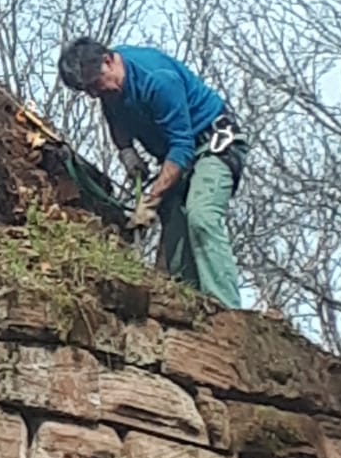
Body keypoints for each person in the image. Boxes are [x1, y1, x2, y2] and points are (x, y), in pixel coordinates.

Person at [57, 37, 246, 309]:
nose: (95, 94)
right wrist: (126, 151)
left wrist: (151, 200)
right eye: (89, 91)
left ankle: (228, 310)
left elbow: (182, 146)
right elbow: (114, 115)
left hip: (212, 145)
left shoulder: (157, 79)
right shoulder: (110, 87)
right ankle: (194, 309)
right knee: (175, 234)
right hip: (177, 155)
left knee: (201, 216)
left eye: (96, 85)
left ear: (108, 61)